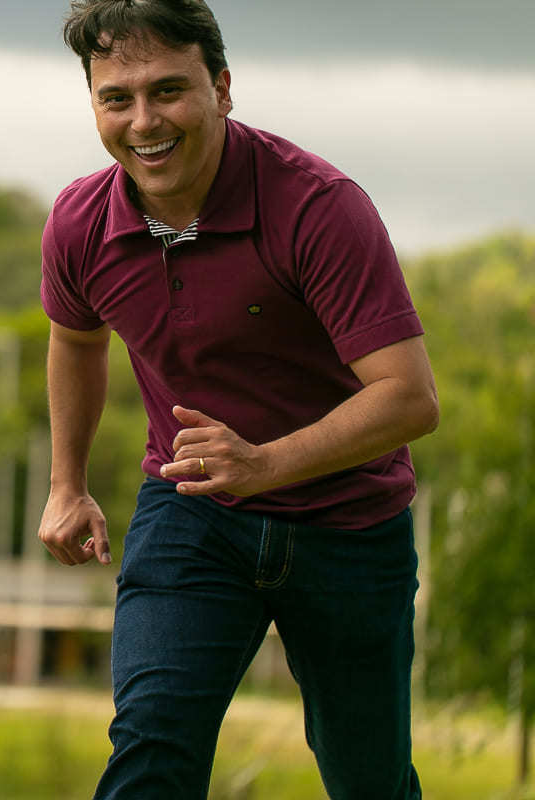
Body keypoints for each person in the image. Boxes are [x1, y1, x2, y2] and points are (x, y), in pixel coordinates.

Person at [37, 1, 439, 798]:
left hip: (350, 525)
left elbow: (409, 399)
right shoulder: (81, 222)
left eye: (168, 91)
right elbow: (76, 339)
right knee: (152, 741)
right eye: (117, 98)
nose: (144, 121)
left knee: (368, 776)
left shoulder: (318, 208)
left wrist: (264, 464)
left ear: (222, 88)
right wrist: (66, 482)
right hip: (192, 512)